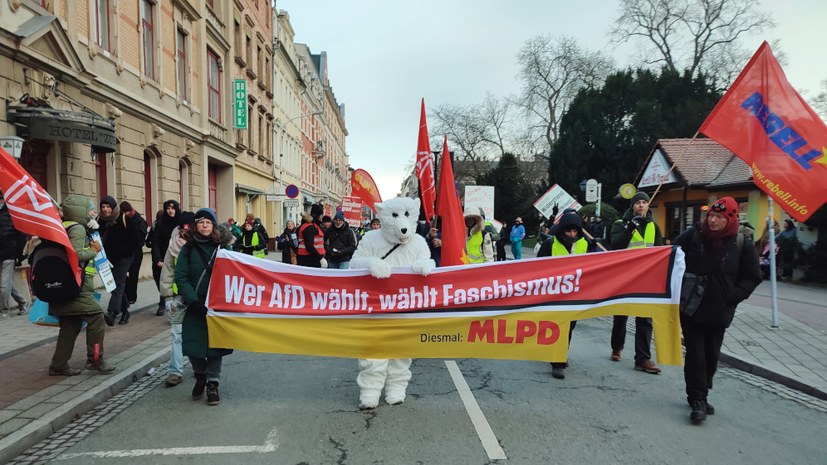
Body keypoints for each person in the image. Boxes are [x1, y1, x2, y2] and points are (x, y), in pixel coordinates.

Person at [673, 196, 761, 424]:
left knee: (711, 356)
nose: (712, 221)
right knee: (696, 354)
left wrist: (733, 297)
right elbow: (670, 254)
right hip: (691, 306)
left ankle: (702, 391)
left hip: (720, 310)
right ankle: (697, 399)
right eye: (711, 215)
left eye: (719, 217)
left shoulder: (743, 243)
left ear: (730, 218)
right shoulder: (693, 235)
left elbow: (752, 277)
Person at [48, 195, 116, 376]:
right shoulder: (77, 229)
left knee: (70, 324)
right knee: (96, 318)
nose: (94, 213)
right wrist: (93, 250)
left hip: (64, 286)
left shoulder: (65, 226)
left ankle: (58, 365)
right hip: (76, 288)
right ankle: (95, 360)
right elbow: (76, 255)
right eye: (90, 210)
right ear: (80, 212)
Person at [174, 208, 234, 405]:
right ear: (195, 226)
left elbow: (235, 273)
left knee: (215, 346)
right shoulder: (187, 249)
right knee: (193, 345)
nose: (205, 226)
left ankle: (213, 384)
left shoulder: (224, 249)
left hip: (217, 306)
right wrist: (193, 300)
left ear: (214, 226)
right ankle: (200, 375)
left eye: (208, 222)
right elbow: (181, 276)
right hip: (195, 305)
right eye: (201, 222)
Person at [609, 191, 663, 374]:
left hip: (646, 278)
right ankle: (617, 347)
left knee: (645, 319)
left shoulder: (654, 227)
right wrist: (630, 228)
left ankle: (642, 358)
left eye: (644, 202)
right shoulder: (620, 224)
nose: (641, 205)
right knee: (621, 315)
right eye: (638, 202)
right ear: (632, 206)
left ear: (648, 206)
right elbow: (616, 245)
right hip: (625, 277)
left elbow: (660, 252)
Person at [536, 212, 591, 379]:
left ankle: (561, 353)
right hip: (554, 294)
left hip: (575, 294)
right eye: (568, 232)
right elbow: (537, 269)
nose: (572, 235)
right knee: (558, 325)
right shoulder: (549, 244)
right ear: (561, 231)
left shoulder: (584, 244)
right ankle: (557, 361)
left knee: (570, 326)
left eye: (575, 232)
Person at [159, 211, 194, 387]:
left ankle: (200, 366)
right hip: (178, 296)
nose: (185, 231)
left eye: (189, 227)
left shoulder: (201, 242)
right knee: (177, 334)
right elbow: (167, 270)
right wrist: (166, 296)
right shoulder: (173, 244)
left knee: (198, 332)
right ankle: (175, 371)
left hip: (198, 295)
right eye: (182, 227)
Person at [101, 199, 144, 326]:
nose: (105, 209)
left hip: (124, 258)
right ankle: (125, 311)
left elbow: (136, 239)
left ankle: (112, 312)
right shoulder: (100, 220)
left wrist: (125, 250)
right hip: (107, 259)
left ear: (113, 208)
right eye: (103, 206)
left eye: (108, 206)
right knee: (113, 284)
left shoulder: (124, 219)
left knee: (117, 283)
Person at [0, 190, 28, 316]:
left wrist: (19, 255)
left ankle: (4, 310)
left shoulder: (12, 214)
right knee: (5, 283)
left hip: (9, 254)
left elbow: (21, 235)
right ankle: (22, 302)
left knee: (4, 285)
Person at [150, 200, 180, 315]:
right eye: (168, 208)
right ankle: (163, 300)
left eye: (172, 208)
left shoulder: (180, 223)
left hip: (176, 256)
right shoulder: (160, 223)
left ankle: (169, 304)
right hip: (162, 257)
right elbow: (155, 242)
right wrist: (158, 259)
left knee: (175, 282)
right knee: (160, 280)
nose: (170, 211)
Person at [124, 206, 148, 308]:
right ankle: (128, 294)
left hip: (136, 251)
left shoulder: (139, 221)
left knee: (133, 275)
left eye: (125, 212)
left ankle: (132, 297)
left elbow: (141, 237)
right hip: (127, 251)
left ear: (131, 211)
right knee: (123, 274)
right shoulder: (124, 220)